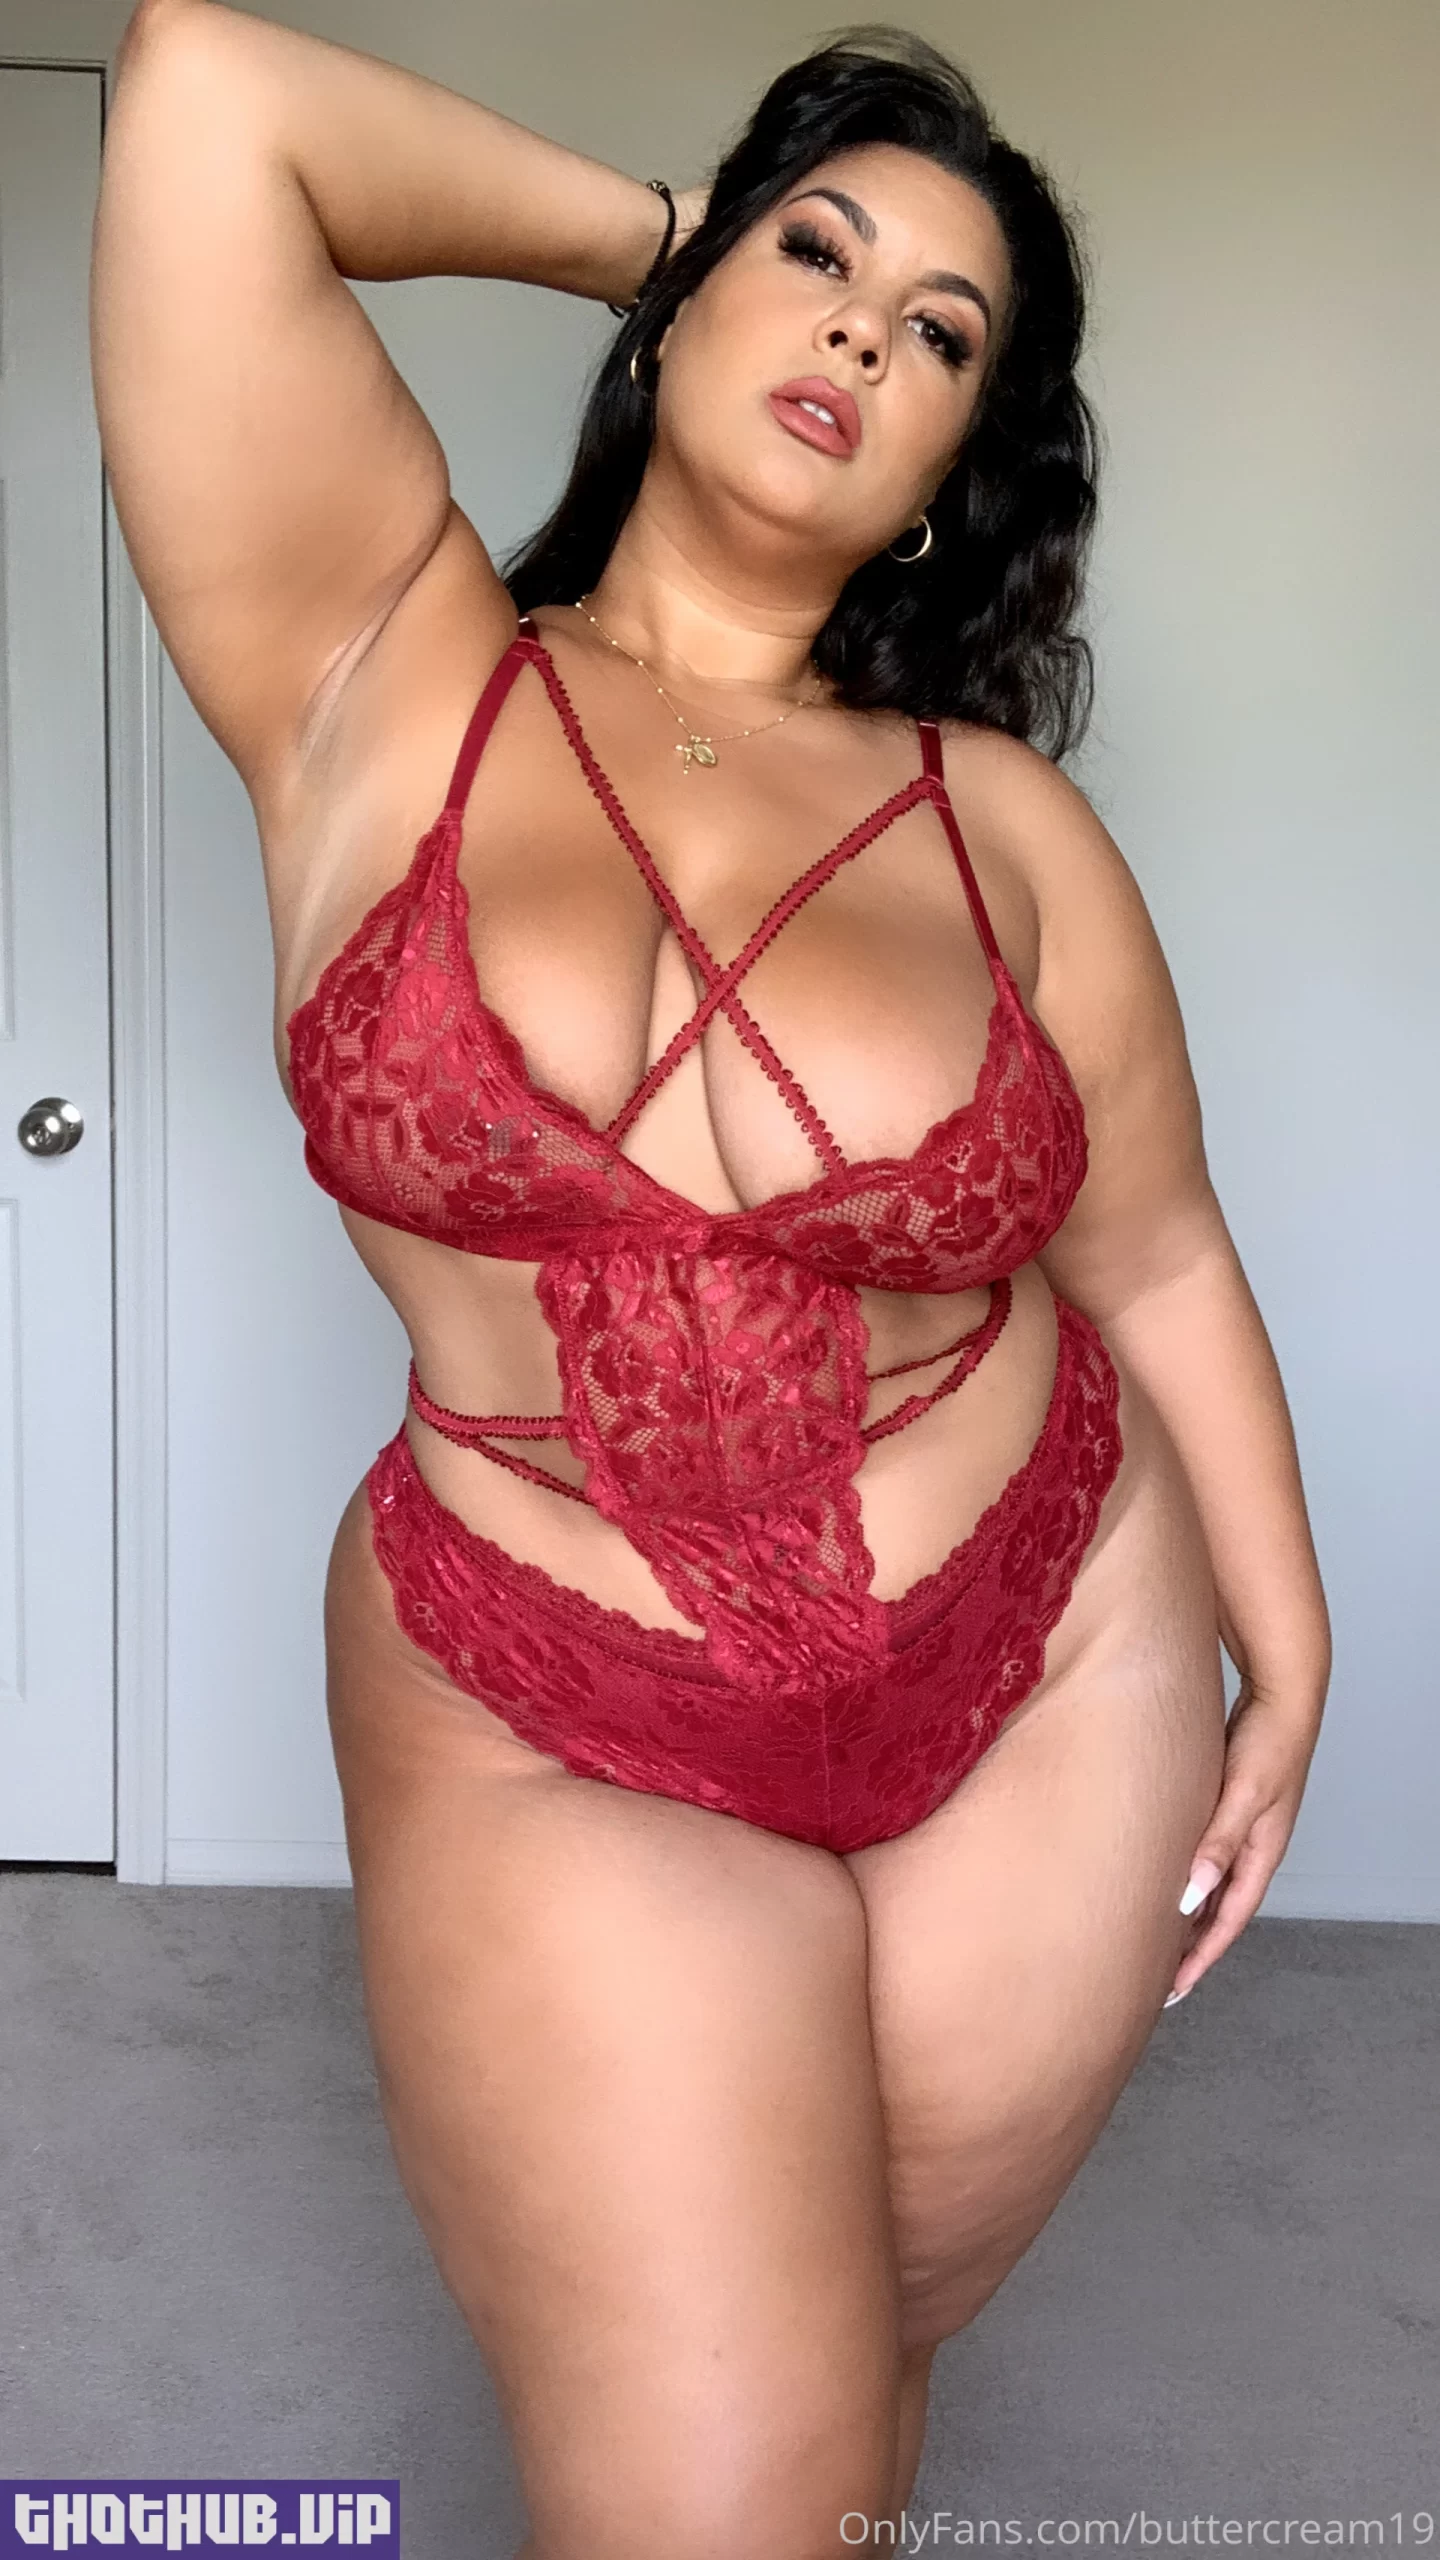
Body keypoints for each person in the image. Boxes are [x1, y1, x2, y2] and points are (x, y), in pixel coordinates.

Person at [92, 5, 1331, 2551]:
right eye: (819, 255)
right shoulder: (375, 662)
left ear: (949, 479)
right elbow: (210, 97)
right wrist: (667, 243)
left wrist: (1296, 1642)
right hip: (552, 1702)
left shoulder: (1004, 829)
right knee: (718, 2479)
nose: (864, 330)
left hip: (1049, 1649)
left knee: (857, 2386)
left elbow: (1159, 1243)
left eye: (941, 335)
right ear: (689, 302)